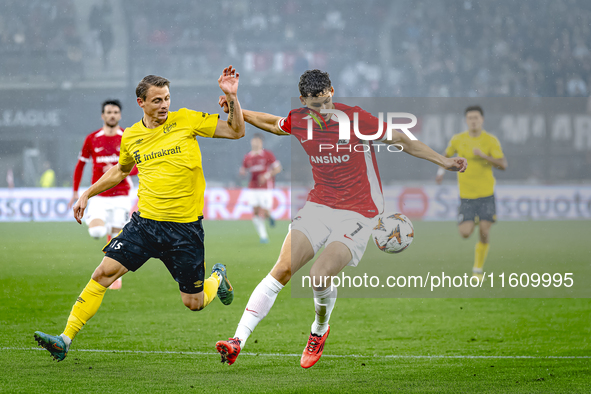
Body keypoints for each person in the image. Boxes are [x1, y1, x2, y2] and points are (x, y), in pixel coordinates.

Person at [215, 69, 467, 368]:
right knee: (282, 270)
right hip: (319, 205)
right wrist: (235, 104)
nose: (320, 111)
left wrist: (445, 161)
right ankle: (237, 340)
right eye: (313, 105)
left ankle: (319, 329)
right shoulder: (300, 119)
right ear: (302, 101)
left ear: (331, 92)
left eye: (324, 102)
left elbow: (401, 138)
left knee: (318, 276)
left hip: (360, 211)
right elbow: (271, 122)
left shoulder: (357, 119)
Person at [34, 66, 245, 362]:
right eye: (157, 100)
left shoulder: (185, 119)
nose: (164, 105)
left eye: (167, 98)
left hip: (184, 231)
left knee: (194, 303)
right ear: (141, 103)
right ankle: (64, 338)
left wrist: (232, 98)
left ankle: (217, 277)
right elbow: (120, 170)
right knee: (102, 273)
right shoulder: (131, 136)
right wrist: (87, 193)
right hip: (144, 225)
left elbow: (236, 131)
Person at [68, 99, 136, 290]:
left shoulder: (127, 137)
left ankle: (115, 277)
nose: (112, 115)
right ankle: (105, 225)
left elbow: (138, 166)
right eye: (108, 112)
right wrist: (75, 191)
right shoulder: (92, 138)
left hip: (122, 195)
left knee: (117, 240)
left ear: (120, 115)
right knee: (97, 231)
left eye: (115, 112)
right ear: (103, 115)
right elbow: (80, 164)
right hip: (99, 196)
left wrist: (119, 169)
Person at [436, 105, 507, 280]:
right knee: (465, 233)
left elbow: (503, 164)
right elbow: (444, 156)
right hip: (466, 195)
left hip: (486, 194)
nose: (473, 121)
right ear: (466, 120)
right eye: (470, 118)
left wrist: (484, 156)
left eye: (476, 118)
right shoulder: (458, 139)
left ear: (482, 119)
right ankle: (474, 219)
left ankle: (477, 269)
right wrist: (440, 173)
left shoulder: (490, 140)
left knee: (484, 230)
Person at [240, 133, 282, 243]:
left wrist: (266, 175)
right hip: (253, 187)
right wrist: (242, 172)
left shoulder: (267, 154)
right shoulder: (248, 156)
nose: (255, 143)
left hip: (265, 187)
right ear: (251, 142)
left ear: (261, 142)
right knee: (255, 211)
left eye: (258, 141)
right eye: (254, 141)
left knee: (265, 211)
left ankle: (270, 216)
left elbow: (278, 168)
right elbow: (243, 169)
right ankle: (263, 236)